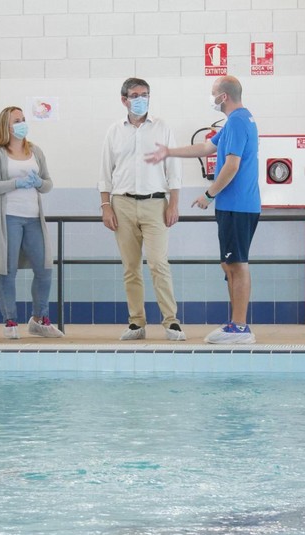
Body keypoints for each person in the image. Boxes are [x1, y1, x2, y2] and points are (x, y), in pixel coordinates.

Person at [145, 76, 260, 344]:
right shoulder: (237, 122)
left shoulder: (238, 121)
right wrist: (169, 152)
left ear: (224, 97)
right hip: (234, 205)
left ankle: (240, 327)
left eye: (213, 93)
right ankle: (236, 324)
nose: (211, 98)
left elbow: (232, 165)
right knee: (229, 263)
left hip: (238, 205)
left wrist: (209, 194)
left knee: (237, 264)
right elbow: (206, 147)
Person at [99, 77, 186, 341]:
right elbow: (105, 171)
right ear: (124, 99)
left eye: (145, 94)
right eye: (135, 95)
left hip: (156, 203)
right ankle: (137, 323)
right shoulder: (114, 131)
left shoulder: (162, 128)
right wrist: (106, 206)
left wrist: (174, 203)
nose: (141, 99)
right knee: (131, 267)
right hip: (122, 203)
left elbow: (173, 169)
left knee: (159, 264)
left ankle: (171, 322)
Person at [0, 106, 63, 339]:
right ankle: (10, 320)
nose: (22, 123)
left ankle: (40, 318)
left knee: (44, 268)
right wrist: (15, 184)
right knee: (8, 271)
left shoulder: (34, 150)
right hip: (8, 218)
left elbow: (48, 184)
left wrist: (37, 183)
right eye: (17, 120)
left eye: (23, 119)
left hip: (34, 218)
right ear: (5, 126)